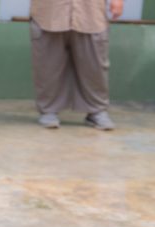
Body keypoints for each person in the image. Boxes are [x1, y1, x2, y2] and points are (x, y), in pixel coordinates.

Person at [29, 0, 124, 130]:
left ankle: (96, 111)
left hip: (90, 13)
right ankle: (48, 110)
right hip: (49, 11)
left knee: (94, 66)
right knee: (48, 65)